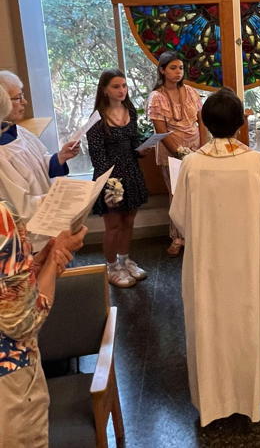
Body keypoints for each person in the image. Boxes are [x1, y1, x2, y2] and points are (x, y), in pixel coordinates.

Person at [170, 87, 260, 426]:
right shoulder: (258, 163)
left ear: (204, 123)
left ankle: (215, 397)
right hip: (252, 263)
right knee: (254, 319)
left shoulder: (192, 165)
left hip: (206, 266)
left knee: (212, 325)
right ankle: (258, 391)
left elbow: (179, 217)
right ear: (241, 123)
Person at [0, 83, 87, 448]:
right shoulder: (3, 222)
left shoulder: (18, 135)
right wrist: (50, 262)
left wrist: (37, 261)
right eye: (17, 97)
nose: (23, 103)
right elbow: (20, 319)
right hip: (8, 378)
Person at [0, 70, 80, 251]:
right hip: (31, 242)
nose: (25, 102)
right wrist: (62, 198)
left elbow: (41, 163)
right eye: (18, 97)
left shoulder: (19, 131)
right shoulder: (2, 154)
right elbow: (18, 207)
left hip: (50, 229)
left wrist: (59, 158)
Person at [87, 69, 148, 288]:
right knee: (113, 224)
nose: (122, 90)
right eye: (116, 86)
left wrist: (140, 149)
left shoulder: (130, 110)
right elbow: (97, 156)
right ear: (104, 89)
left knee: (129, 221)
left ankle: (125, 260)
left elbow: (132, 143)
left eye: (124, 86)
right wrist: (113, 184)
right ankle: (111, 266)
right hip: (110, 177)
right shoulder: (96, 119)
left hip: (131, 172)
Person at [147, 51, 207, 256]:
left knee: (196, 195)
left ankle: (197, 237)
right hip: (171, 153)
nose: (178, 72)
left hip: (196, 148)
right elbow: (161, 131)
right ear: (162, 70)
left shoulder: (191, 91)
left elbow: (201, 122)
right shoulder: (157, 96)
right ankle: (177, 238)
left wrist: (203, 150)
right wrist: (181, 154)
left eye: (180, 68)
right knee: (176, 196)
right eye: (173, 68)